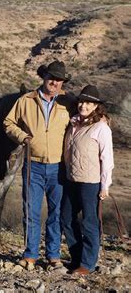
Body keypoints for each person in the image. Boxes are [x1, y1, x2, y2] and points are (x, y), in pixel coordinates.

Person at [3, 60, 73, 269]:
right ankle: (30, 254)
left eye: (59, 80)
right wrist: (23, 137)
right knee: (31, 210)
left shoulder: (68, 102)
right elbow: (8, 122)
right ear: (44, 77)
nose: (55, 82)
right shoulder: (26, 100)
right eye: (51, 78)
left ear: (62, 82)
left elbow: (89, 114)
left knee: (56, 212)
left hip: (59, 166)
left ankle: (53, 255)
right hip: (32, 166)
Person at [61, 85, 114, 275]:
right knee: (66, 218)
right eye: (82, 101)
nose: (84, 105)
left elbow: (107, 158)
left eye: (89, 103)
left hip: (91, 182)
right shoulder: (74, 124)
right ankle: (76, 259)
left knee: (89, 222)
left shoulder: (101, 128)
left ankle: (88, 264)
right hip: (71, 179)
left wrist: (105, 185)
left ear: (95, 106)